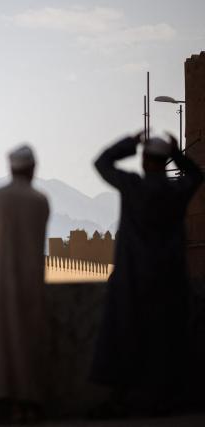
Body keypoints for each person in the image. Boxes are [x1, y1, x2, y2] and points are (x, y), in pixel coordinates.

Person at [90, 131, 203, 416]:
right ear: (164, 162)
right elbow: (197, 176)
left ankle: (121, 400)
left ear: (143, 160)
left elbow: (102, 163)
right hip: (169, 279)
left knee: (126, 336)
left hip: (133, 278)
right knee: (165, 340)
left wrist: (131, 141)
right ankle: (163, 399)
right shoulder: (177, 191)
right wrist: (177, 154)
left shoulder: (133, 187)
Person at [0, 145, 50, 422]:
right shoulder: (41, 201)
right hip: (32, 285)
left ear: (11, 167)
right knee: (28, 343)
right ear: (32, 168)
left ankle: (1, 405)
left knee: (0, 343)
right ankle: (28, 404)